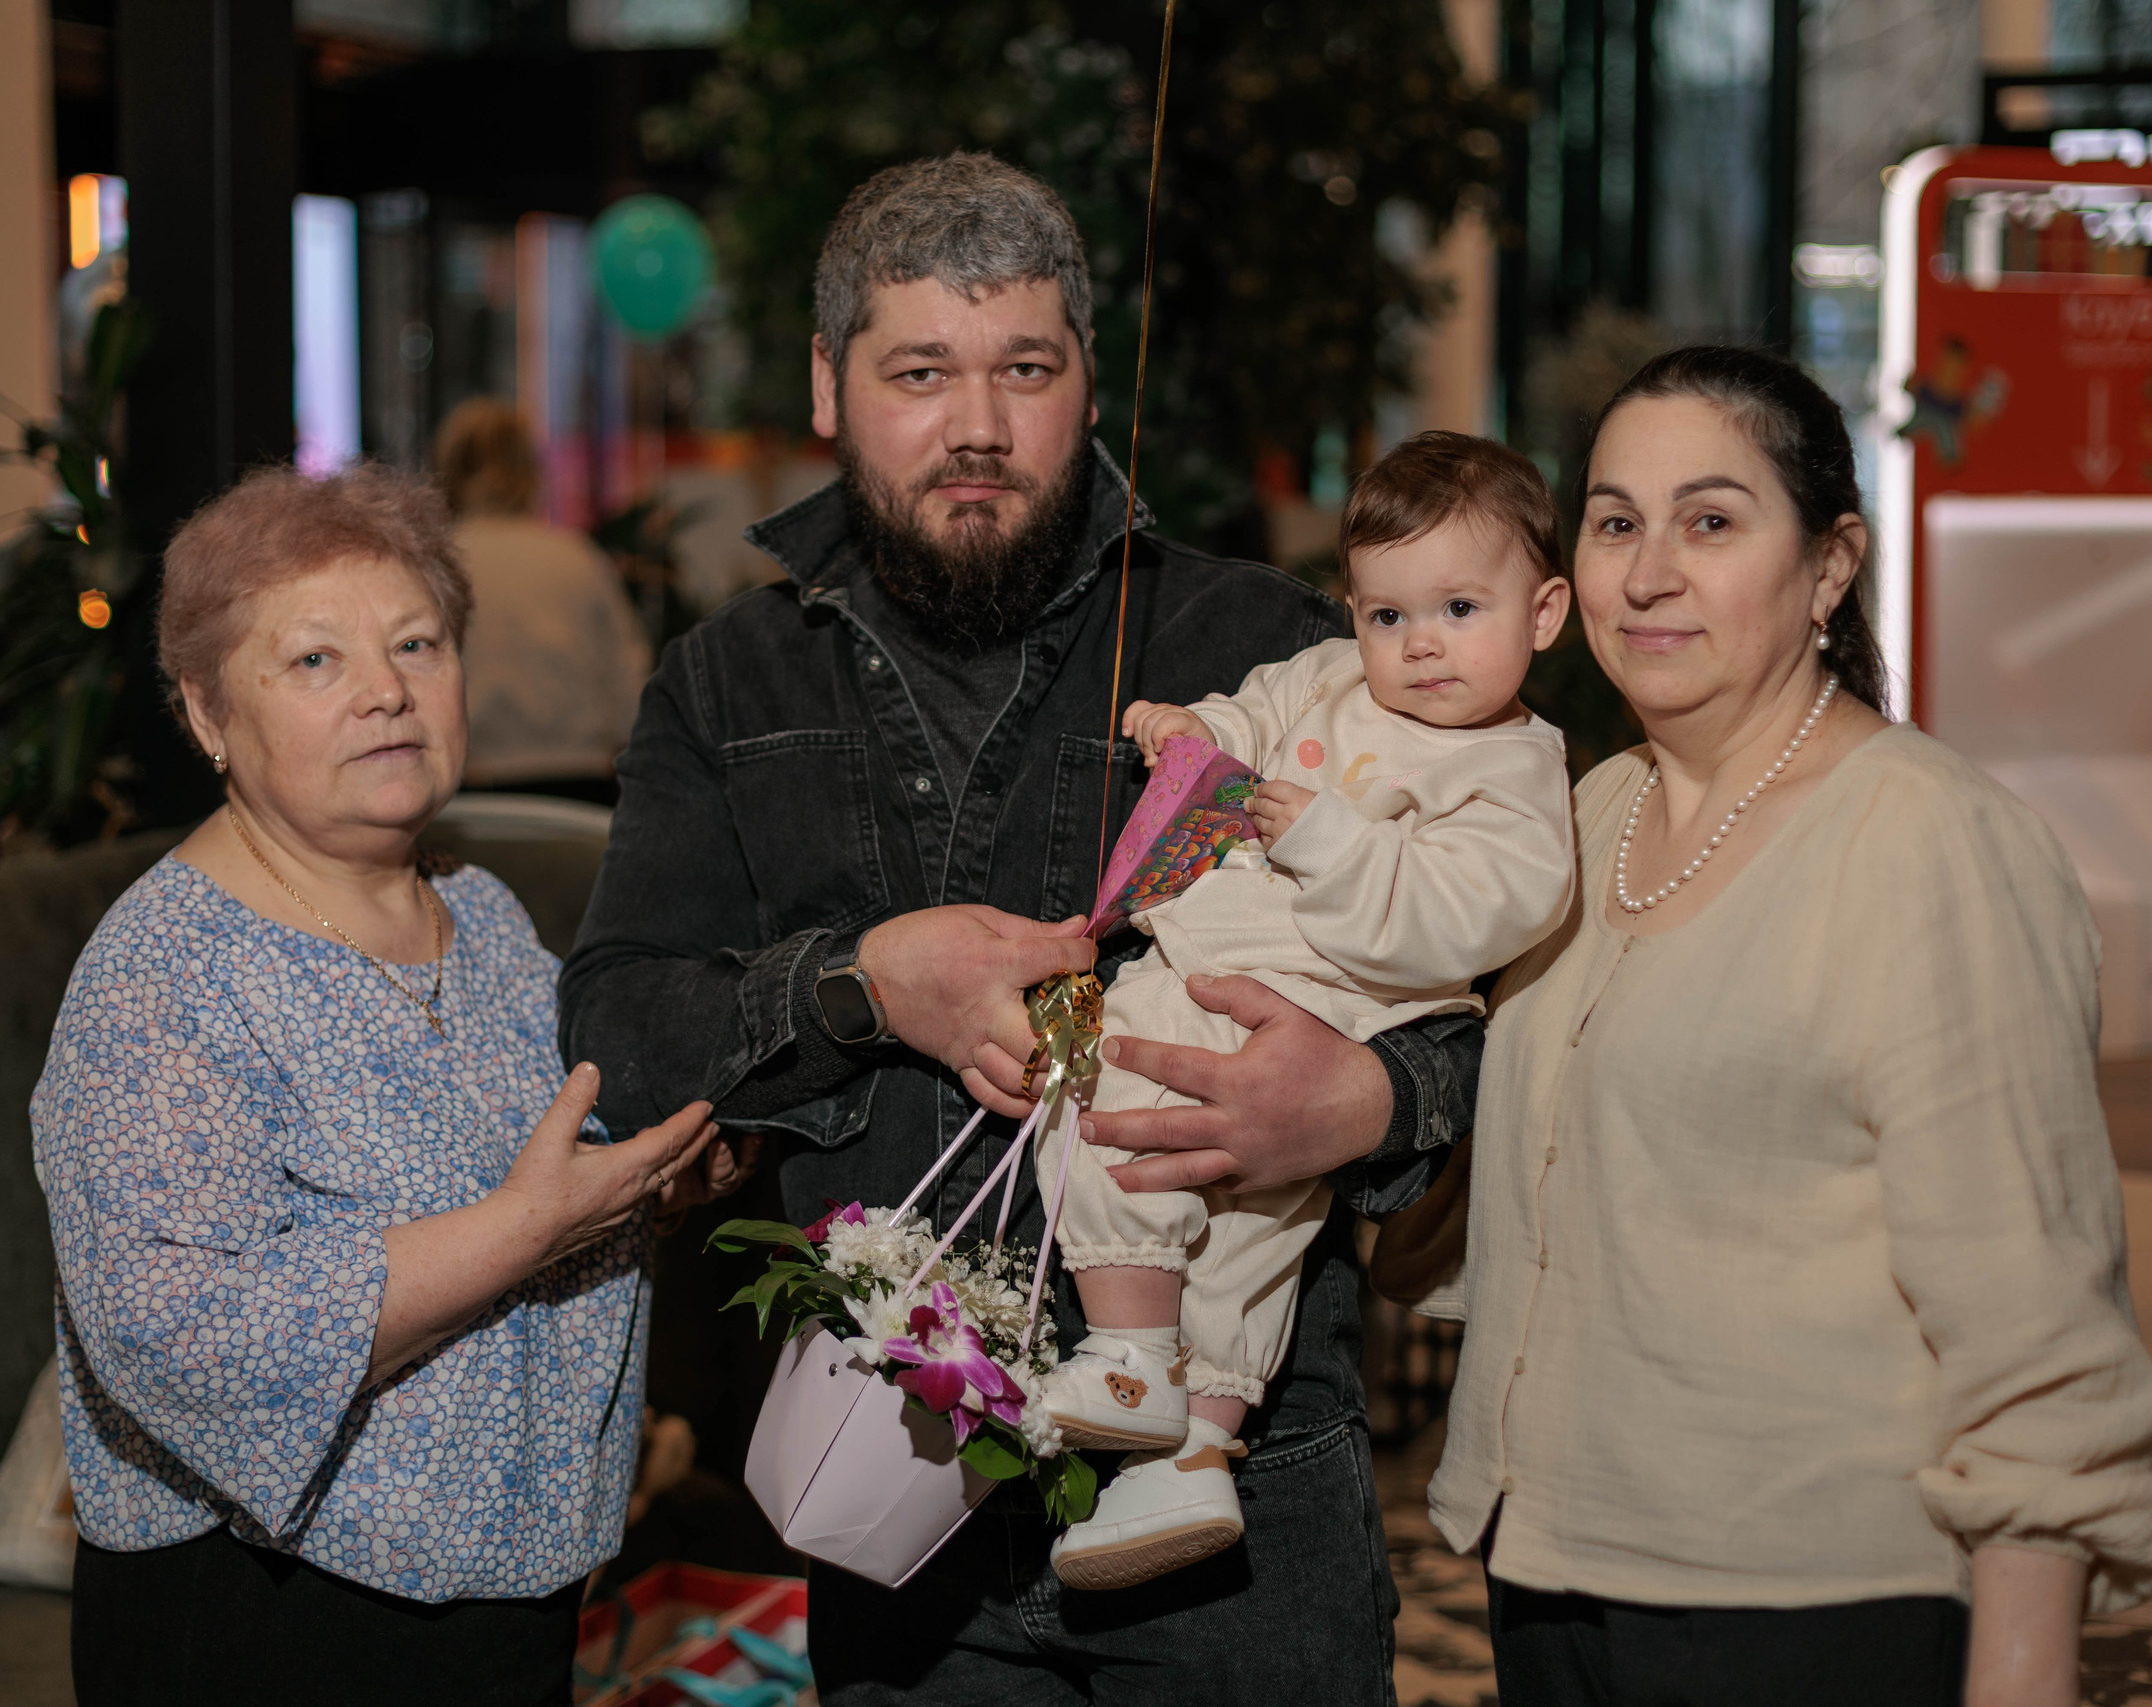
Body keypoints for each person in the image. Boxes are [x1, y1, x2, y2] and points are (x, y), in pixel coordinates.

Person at [558, 152, 1483, 1705]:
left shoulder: (1272, 649)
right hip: (901, 1494)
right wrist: (864, 983)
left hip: (1238, 1497)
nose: (977, 425)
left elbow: (1471, 996)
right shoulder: (728, 687)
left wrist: (1375, 1098)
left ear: (1088, 383)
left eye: (1026, 369)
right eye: (919, 370)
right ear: (828, 386)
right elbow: (617, 1027)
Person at [1430, 346, 2152, 1707]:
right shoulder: (1579, 820)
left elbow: (2037, 1323)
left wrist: (2022, 1672)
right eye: (1616, 522)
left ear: (1831, 565)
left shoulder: (1927, 845)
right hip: (1548, 1575)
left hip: (1808, 1605)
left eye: (1711, 522)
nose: (1648, 572)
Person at [32, 464, 754, 1707]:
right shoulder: (162, 976)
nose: (386, 692)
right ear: (207, 714)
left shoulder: (477, 914)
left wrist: (664, 1176)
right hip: (270, 1624)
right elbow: (179, 1338)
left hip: (505, 1605)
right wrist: (527, 1227)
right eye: (315, 661)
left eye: (417, 642)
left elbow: (550, 1166)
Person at [1037, 432, 1575, 1591]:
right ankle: (1134, 1361)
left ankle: (1192, 1450)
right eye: (1387, 617)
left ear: (1545, 613)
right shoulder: (1323, 678)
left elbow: (1472, 919)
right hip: (1200, 974)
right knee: (1093, 1112)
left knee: (1253, 1247)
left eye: (1459, 608)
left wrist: (1328, 836)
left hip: (1331, 1024)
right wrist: (1192, 735)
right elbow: (1248, 715)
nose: (1418, 643)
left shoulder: (1519, 775)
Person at [435, 397, 651, 804]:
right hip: (581, 794)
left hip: (473, 797)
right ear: (529, 470)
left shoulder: (437, 563)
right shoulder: (577, 557)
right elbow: (631, 692)